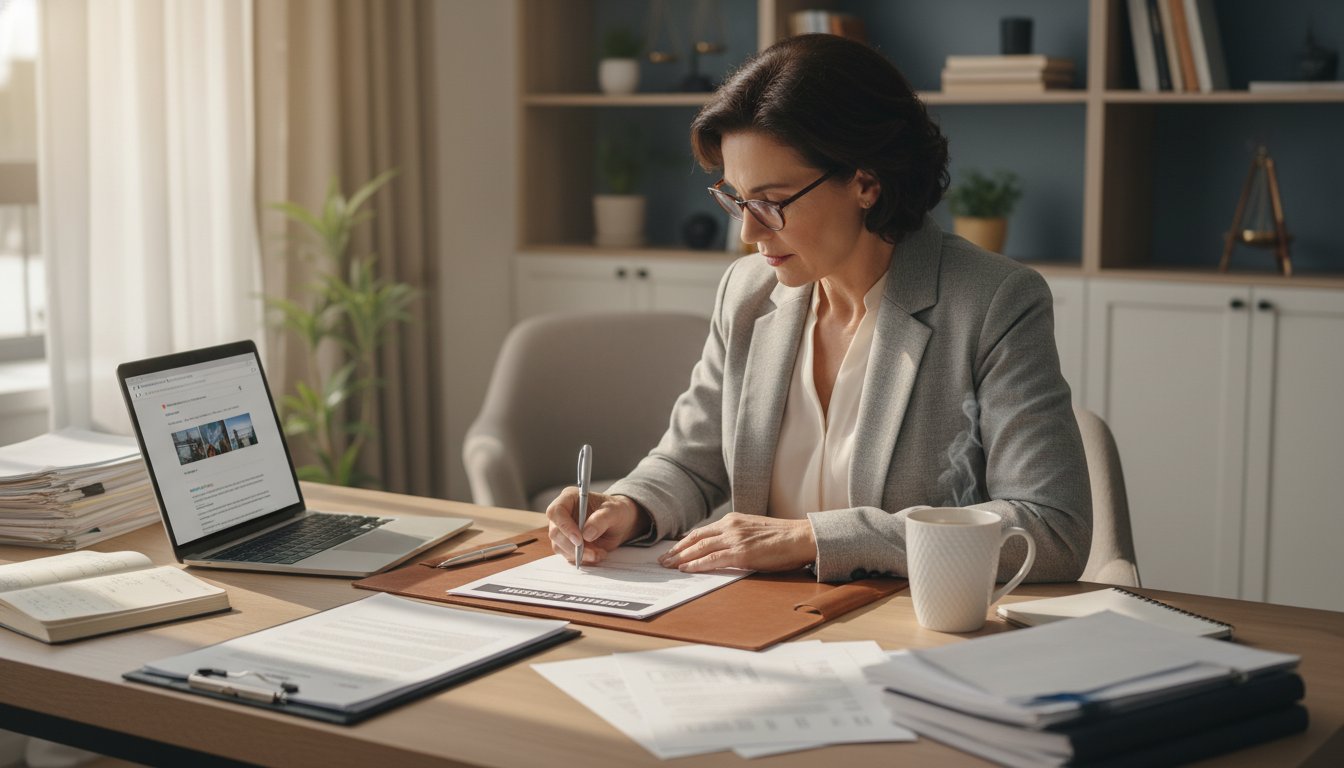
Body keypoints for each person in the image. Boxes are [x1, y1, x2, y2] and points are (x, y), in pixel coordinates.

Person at [545, 34, 1091, 584]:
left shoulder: (994, 302)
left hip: (905, 620)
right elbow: (692, 460)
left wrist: (814, 538)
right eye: (737, 198)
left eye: (771, 202)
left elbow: (1051, 529)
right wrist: (628, 506)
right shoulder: (747, 293)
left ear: (866, 183)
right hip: (767, 619)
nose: (748, 231)